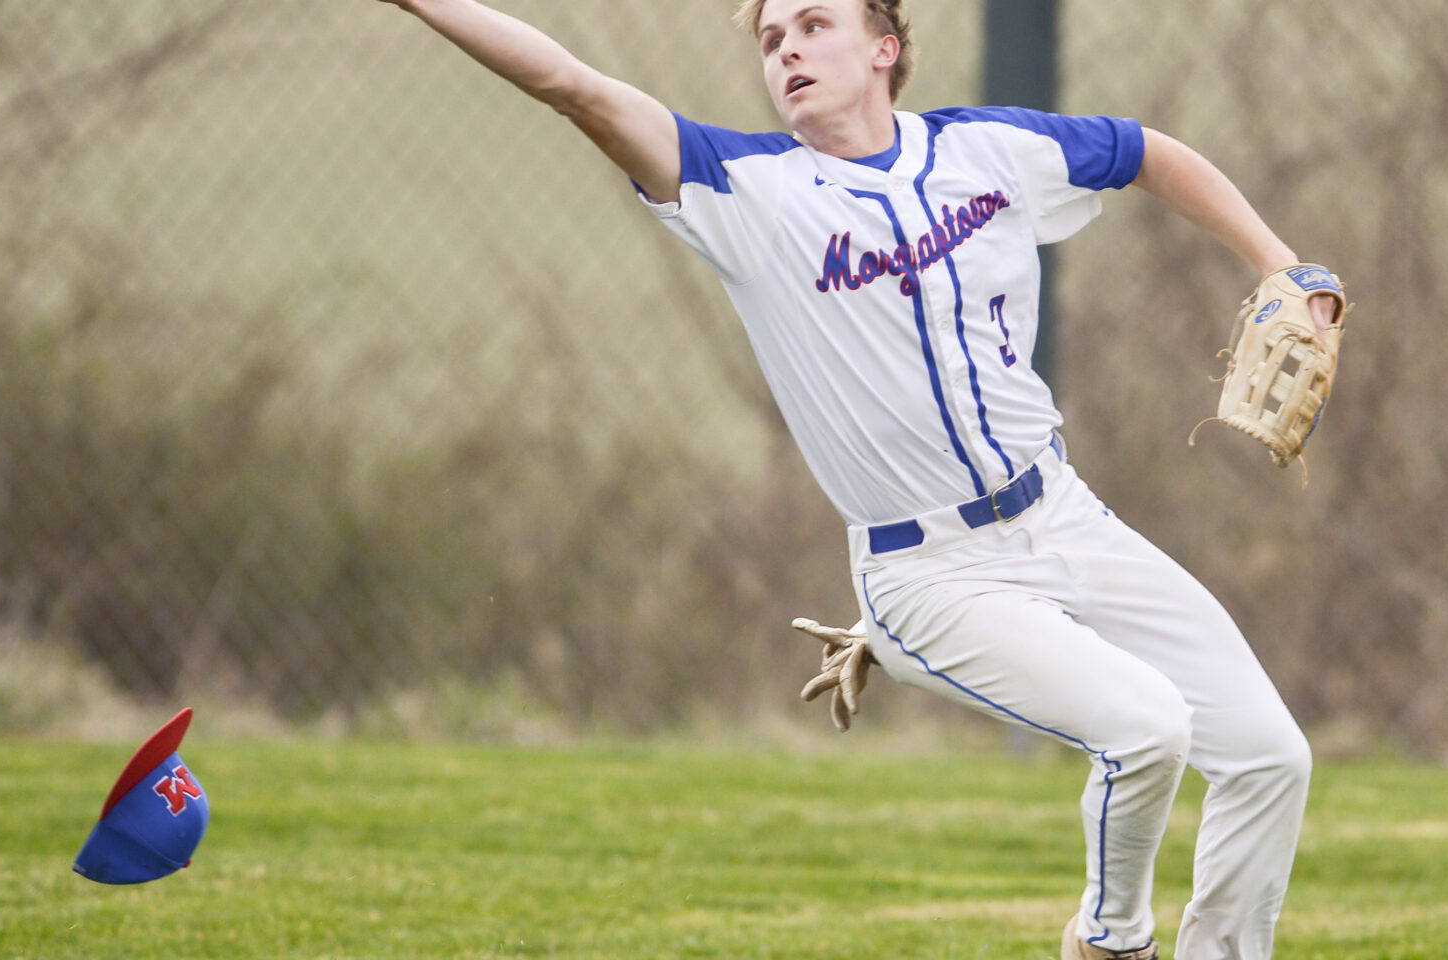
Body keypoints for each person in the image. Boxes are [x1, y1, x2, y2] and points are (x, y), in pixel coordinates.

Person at [370, 1, 1336, 957]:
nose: (787, 47)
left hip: (1064, 515)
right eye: (771, 39)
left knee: (1268, 758)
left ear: (885, 47)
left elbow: (1144, 152)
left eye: (812, 24)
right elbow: (570, 86)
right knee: (1148, 729)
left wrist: (1283, 268)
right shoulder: (745, 194)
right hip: (930, 574)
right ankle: (1111, 942)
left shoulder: (987, 150)